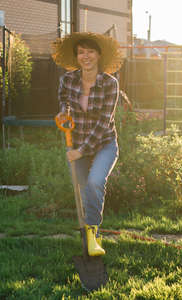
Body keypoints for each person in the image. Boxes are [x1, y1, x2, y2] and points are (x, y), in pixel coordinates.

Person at [52, 32, 122, 256]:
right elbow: (65, 104)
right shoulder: (67, 80)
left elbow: (104, 122)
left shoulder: (110, 84)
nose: (86, 56)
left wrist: (81, 151)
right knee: (82, 191)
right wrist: (63, 115)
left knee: (94, 183)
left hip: (103, 144)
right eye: (81, 52)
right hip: (76, 144)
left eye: (90, 51)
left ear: (100, 55)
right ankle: (87, 235)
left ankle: (94, 236)